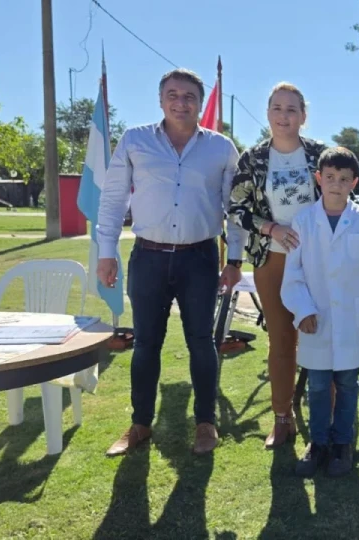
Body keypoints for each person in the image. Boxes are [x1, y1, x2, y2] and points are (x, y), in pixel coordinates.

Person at [98, 68, 247, 457]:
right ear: (160, 98)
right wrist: (105, 252)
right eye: (173, 95)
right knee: (146, 343)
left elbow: (235, 209)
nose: (181, 103)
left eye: (189, 97)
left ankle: (205, 423)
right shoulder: (135, 141)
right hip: (147, 256)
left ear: (200, 103)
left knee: (202, 341)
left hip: (199, 258)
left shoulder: (221, 148)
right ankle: (140, 424)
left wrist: (234, 258)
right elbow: (114, 199)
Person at [281, 147, 359, 477]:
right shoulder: (302, 222)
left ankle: (343, 444)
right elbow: (293, 276)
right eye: (329, 177)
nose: (335, 184)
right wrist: (302, 310)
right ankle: (318, 443)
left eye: (344, 179)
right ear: (318, 178)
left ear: (353, 183)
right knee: (317, 386)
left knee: (347, 383)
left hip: (352, 322)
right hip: (316, 321)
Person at [228, 82, 326, 448]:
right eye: (277, 108)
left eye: (291, 109)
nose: (284, 116)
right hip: (271, 259)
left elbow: (340, 196)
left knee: (320, 336)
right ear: (268, 112)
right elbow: (236, 208)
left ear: (303, 116)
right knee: (281, 339)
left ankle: (325, 417)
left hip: (318, 261)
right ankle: (282, 418)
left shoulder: (321, 154)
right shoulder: (252, 159)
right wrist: (271, 227)